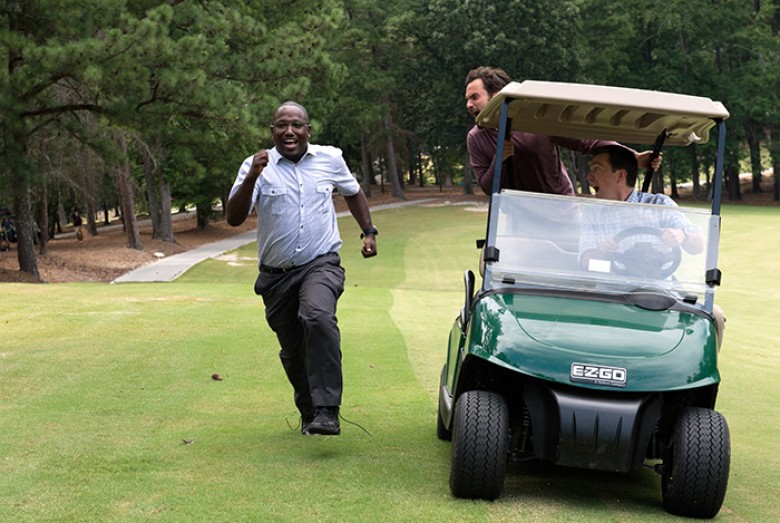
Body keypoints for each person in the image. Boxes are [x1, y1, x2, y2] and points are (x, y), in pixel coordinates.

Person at [226, 101, 378, 436]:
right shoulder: (256, 166)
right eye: (282, 125)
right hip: (275, 276)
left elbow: (352, 192)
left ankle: (328, 409)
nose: (289, 132)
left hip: (319, 263)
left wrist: (368, 231)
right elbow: (234, 217)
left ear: (308, 129)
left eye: (297, 125)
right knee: (293, 350)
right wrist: (253, 175)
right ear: (272, 130)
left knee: (317, 317)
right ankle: (310, 411)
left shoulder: (330, 159)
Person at [580, 145, 725, 349]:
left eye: (597, 169)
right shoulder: (592, 213)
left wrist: (680, 235)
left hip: (661, 297)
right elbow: (587, 262)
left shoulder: (658, 204)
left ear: (620, 175)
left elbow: (697, 245)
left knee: (715, 316)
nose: (589, 176)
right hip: (611, 297)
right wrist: (602, 253)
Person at [464, 66, 661, 196]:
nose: (468, 104)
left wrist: (633, 157)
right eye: (467, 99)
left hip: (561, 210)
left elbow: (588, 142)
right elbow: (489, 187)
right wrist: (500, 158)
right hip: (518, 218)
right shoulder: (475, 138)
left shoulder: (536, 119)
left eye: (474, 97)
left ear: (496, 96)